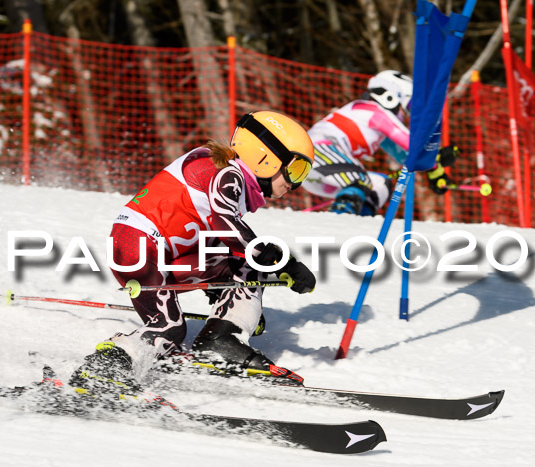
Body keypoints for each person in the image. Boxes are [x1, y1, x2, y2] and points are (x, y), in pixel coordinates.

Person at [69, 111, 316, 398]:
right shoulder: (228, 173)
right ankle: (106, 367)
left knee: (245, 265)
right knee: (168, 328)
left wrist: (236, 298)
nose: (295, 183)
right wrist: (284, 261)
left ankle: (221, 339)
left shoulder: (227, 170)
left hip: (157, 251)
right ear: (266, 158)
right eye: (295, 170)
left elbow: (220, 235)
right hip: (139, 247)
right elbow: (226, 225)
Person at [302, 69, 460, 215]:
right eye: (408, 106)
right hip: (316, 152)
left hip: (319, 172)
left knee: (380, 183)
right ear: (390, 96)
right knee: (360, 180)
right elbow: (410, 143)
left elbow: (407, 156)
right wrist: (436, 153)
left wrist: (433, 171)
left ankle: (360, 221)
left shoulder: (375, 128)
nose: (405, 114)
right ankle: (340, 220)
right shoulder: (372, 110)